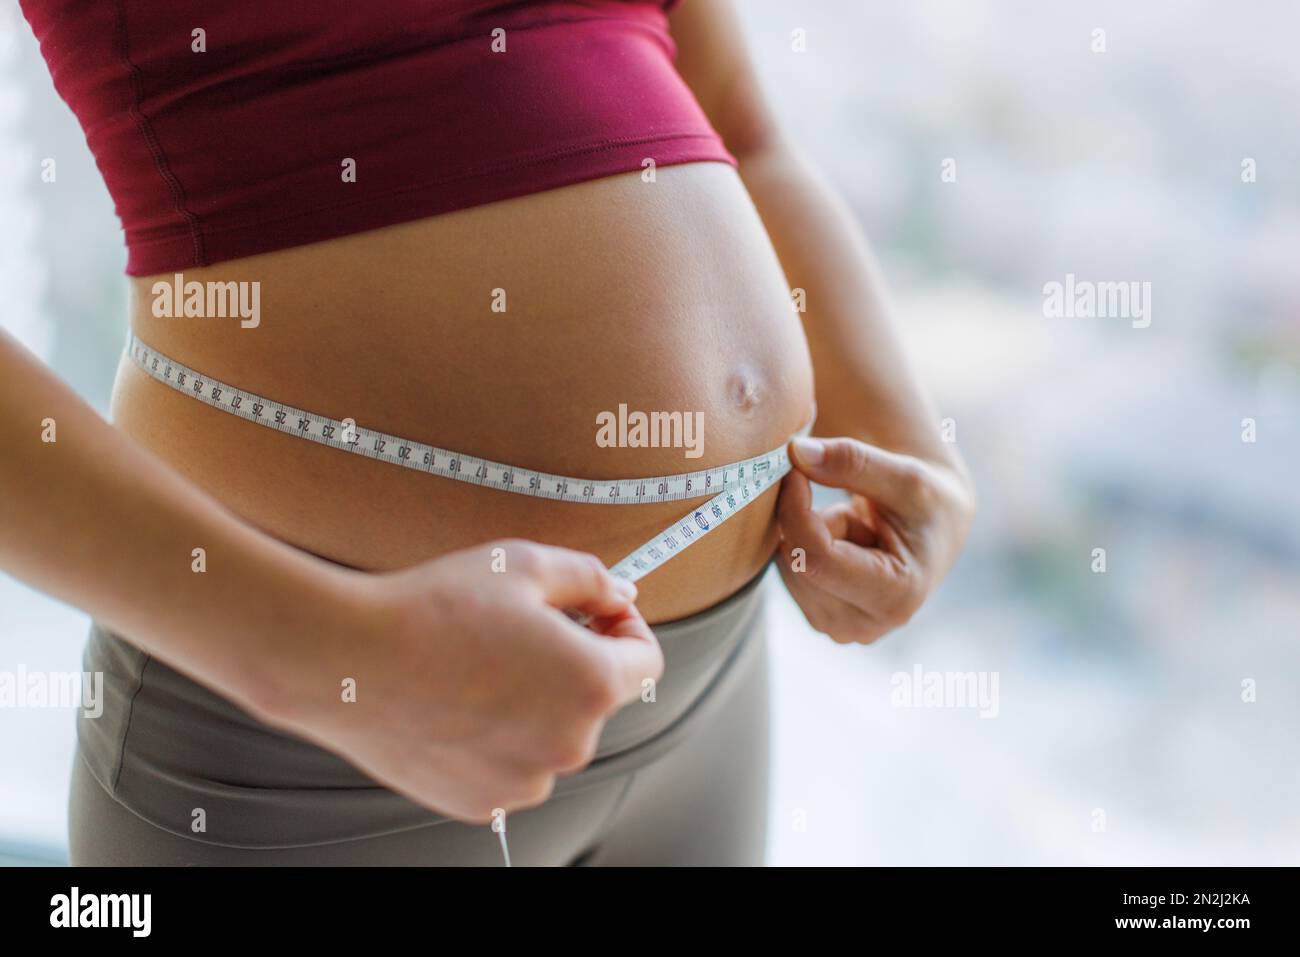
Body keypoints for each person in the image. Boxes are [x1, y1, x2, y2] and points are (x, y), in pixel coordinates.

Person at [5, 0, 974, 864]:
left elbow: (742, 126)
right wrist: (324, 660)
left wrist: (911, 450)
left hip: (711, 688)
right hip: (309, 746)